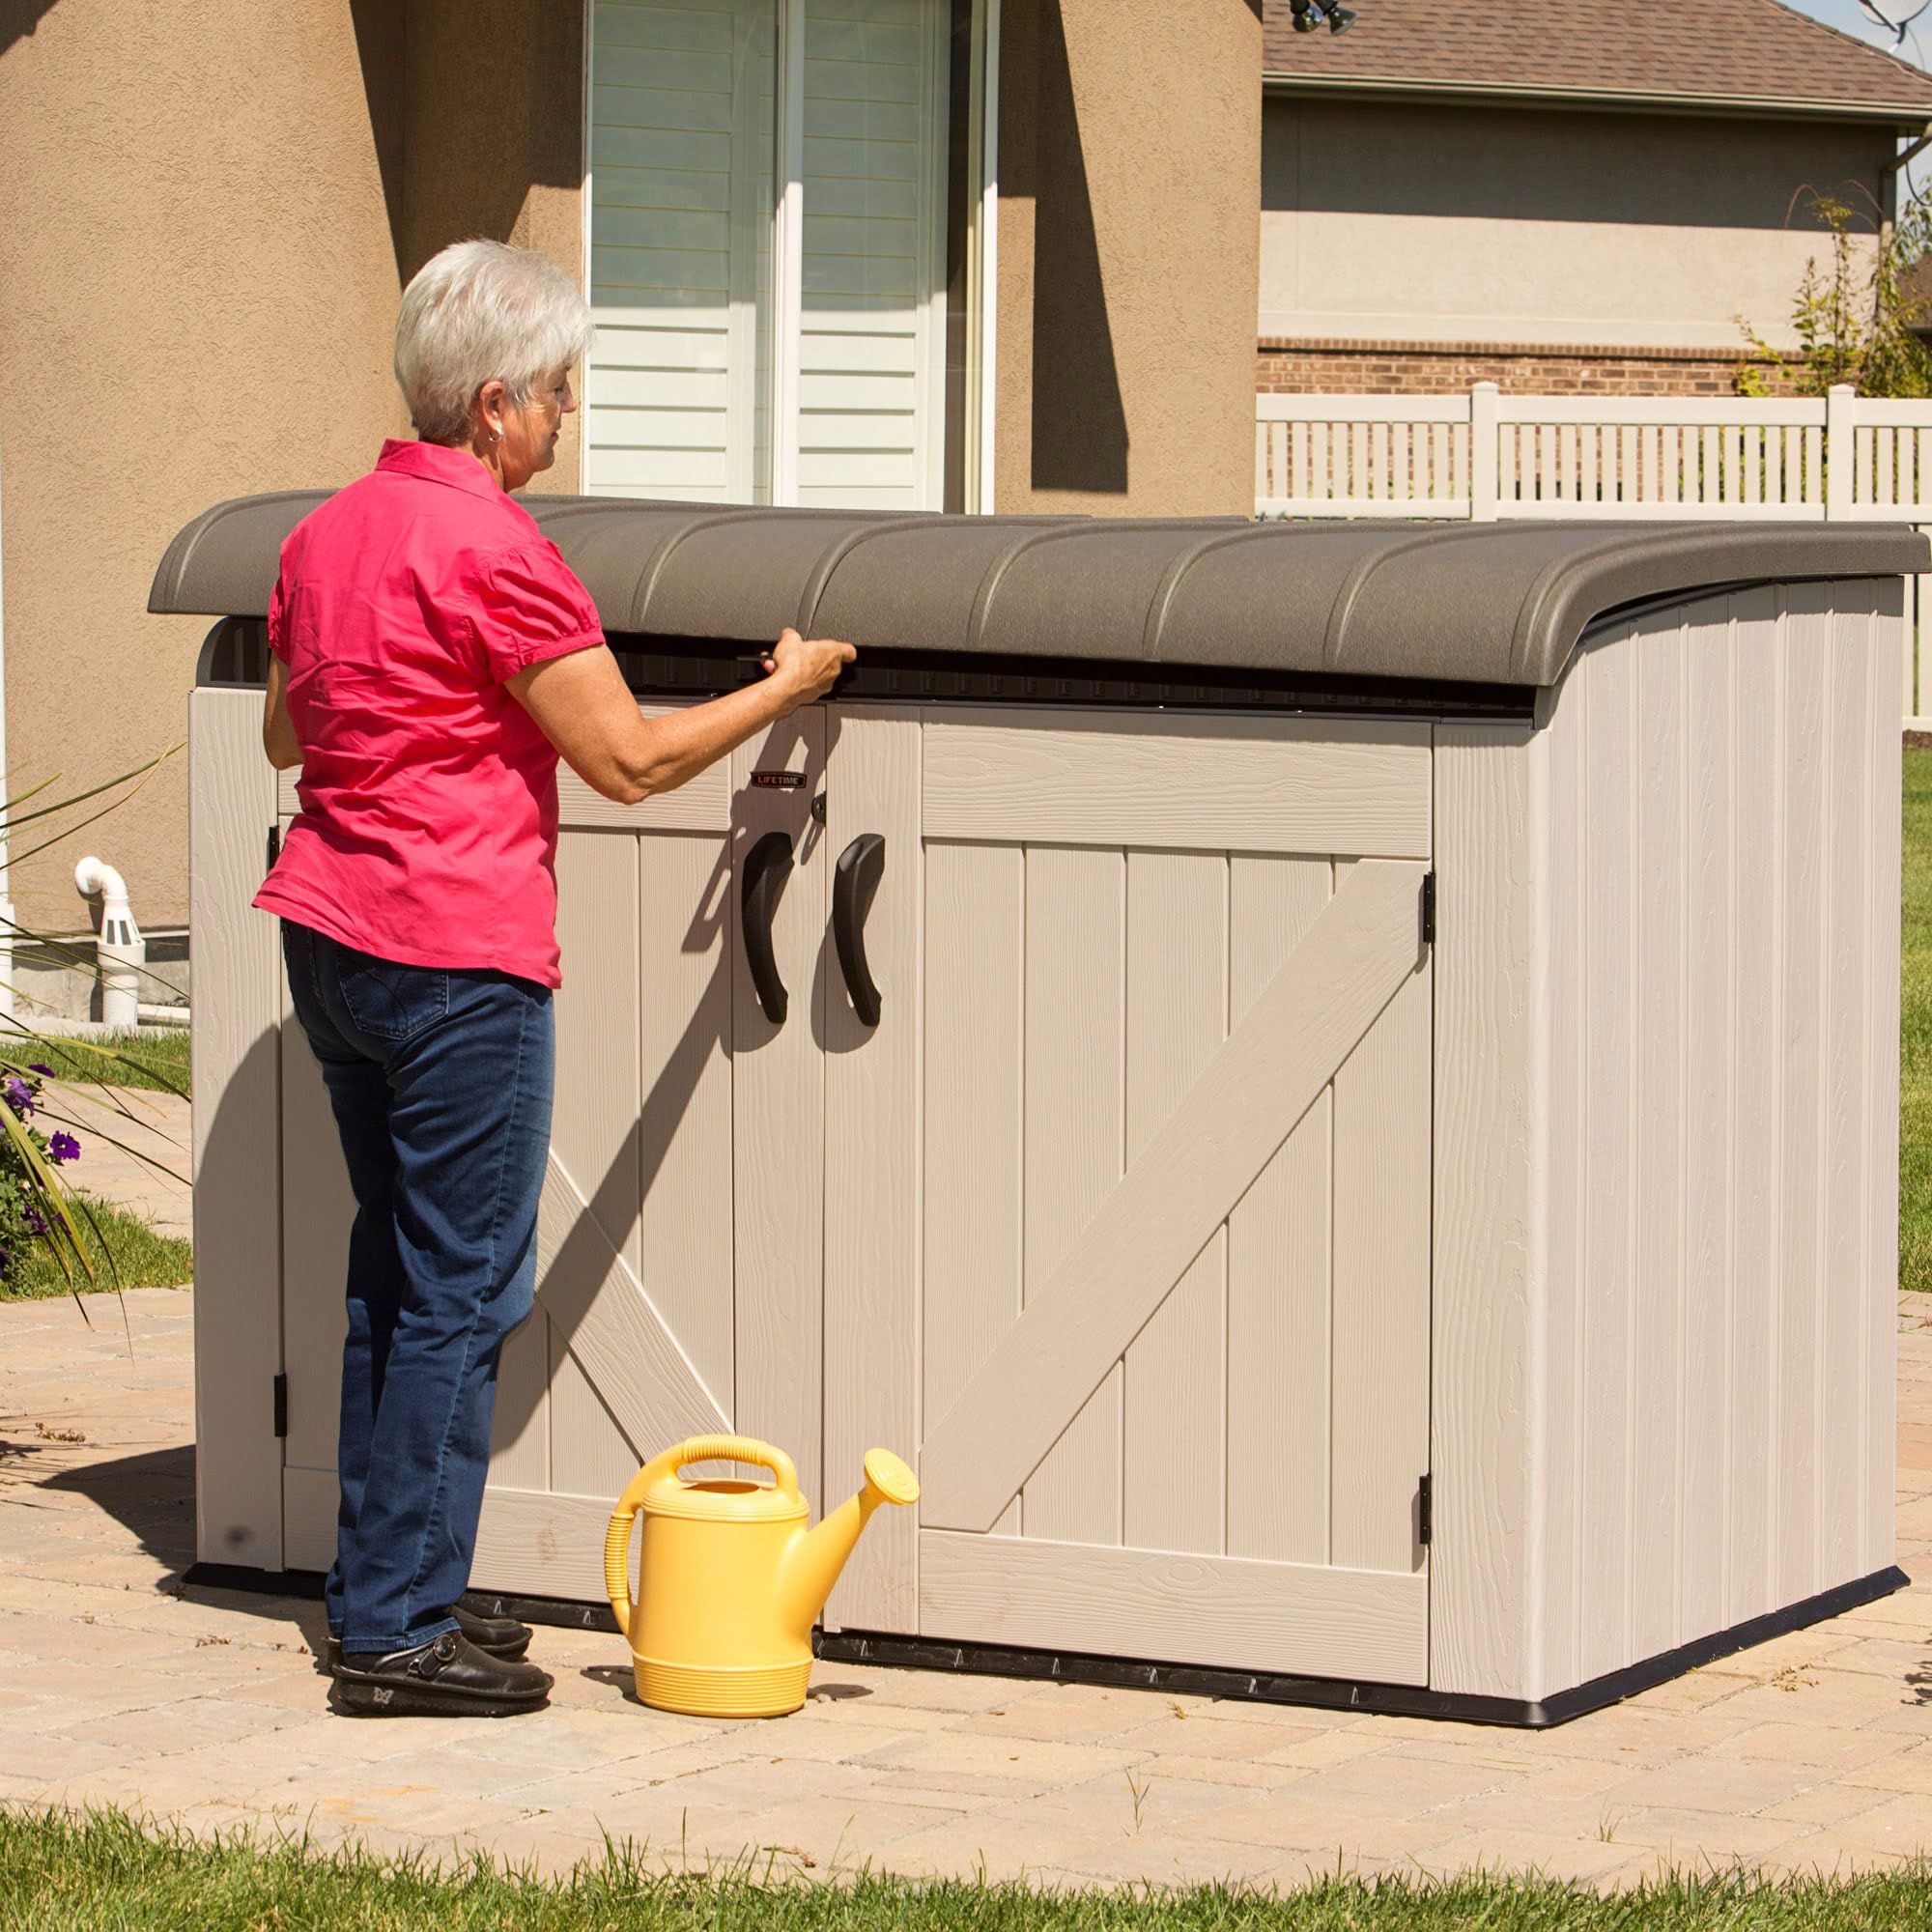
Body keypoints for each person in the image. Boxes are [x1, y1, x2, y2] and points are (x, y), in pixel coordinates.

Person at [256, 239, 854, 1718]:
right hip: (455, 958)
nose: (569, 416)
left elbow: (286, 737)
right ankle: (396, 1637)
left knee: (396, 1279)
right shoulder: (497, 552)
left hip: (328, 939)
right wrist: (788, 684)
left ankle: (387, 1588)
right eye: (563, 391)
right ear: (496, 403)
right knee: (459, 1293)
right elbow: (633, 759)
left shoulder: (324, 536)